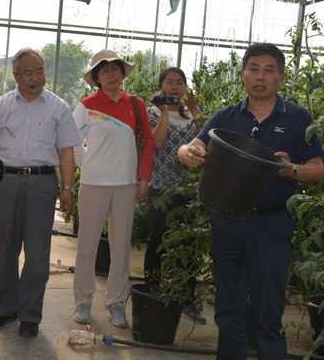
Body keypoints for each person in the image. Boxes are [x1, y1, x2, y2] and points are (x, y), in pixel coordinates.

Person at [178, 43, 324, 360]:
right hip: (227, 222)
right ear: (243, 74)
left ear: (280, 77)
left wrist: (292, 170)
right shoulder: (227, 116)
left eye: (269, 70)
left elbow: (318, 169)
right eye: (253, 69)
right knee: (228, 307)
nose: (260, 76)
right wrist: (187, 152)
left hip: (272, 224)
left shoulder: (297, 118)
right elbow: (191, 146)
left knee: (269, 310)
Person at [0, 47, 80, 338]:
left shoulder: (58, 107)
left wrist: (68, 188)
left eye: (40, 70)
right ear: (16, 76)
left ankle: (30, 315)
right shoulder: (1, 105)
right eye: (28, 72)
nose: (35, 77)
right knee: (6, 247)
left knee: (37, 252)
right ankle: (4, 308)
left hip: (43, 184)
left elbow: (66, 150)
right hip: (6, 183)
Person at [71, 49, 154, 327]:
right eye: (104, 70)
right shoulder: (86, 105)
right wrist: (91, 166)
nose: (110, 74)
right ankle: (83, 301)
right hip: (94, 185)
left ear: (122, 72)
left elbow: (148, 141)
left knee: (121, 247)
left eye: (115, 69)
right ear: (96, 78)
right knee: (87, 245)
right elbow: (73, 142)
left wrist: (143, 178)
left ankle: (115, 302)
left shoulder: (136, 105)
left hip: (126, 185)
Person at [143, 67, 205, 324]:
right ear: (161, 87)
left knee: (188, 245)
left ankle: (186, 299)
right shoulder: (152, 113)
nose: (175, 86)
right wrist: (165, 111)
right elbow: (157, 143)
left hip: (188, 191)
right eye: (170, 82)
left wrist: (195, 109)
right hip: (161, 189)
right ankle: (152, 293)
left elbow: (207, 137)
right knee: (157, 239)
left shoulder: (190, 115)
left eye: (180, 82)